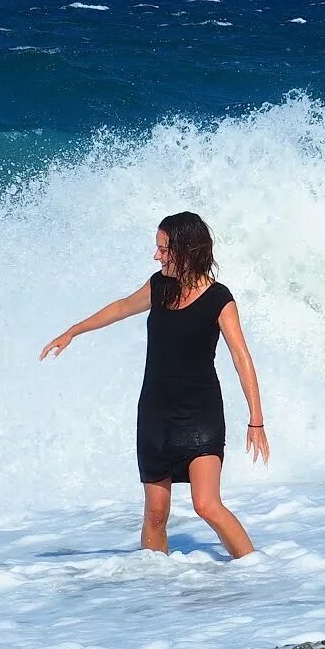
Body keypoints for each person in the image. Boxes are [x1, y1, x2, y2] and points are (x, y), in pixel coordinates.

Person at [40, 211, 268, 557]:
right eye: (158, 248)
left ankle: (257, 571)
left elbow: (242, 358)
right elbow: (120, 308)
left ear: (187, 250)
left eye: (164, 249)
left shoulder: (219, 299)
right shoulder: (159, 286)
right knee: (156, 514)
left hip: (199, 413)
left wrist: (256, 420)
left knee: (206, 504)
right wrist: (73, 331)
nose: (157, 256)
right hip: (156, 413)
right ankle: (155, 591)